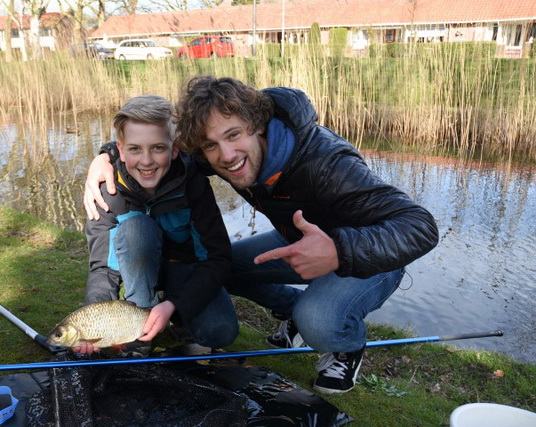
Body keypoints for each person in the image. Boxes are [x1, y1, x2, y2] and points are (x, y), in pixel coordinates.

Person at [84, 76, 439, 394]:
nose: (226, 155)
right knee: (230, 267)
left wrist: (338, 251)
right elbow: (152, 141)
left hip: (370, 251)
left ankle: (345, 344)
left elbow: (420, 226)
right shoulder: (216, 149)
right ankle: (293, 316)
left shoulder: (327, 163)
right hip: (301, 238)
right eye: (211, 145)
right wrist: (106, 156)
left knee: (319, 320)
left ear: (257, 125)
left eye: (233, 135)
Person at [77, 94, 238, 356]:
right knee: (136, 229)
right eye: (135, 149)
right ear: (119, 149)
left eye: (158, 148)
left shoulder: (193, 183)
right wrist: (91, 324)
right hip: (137, 272)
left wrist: (176, 304)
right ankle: (141, 333)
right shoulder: (106, 189)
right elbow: (103, 268)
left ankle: (173, 317)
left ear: (174, 148)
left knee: (220, 331)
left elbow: (217, 258)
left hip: (182, 270)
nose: (147, 161)